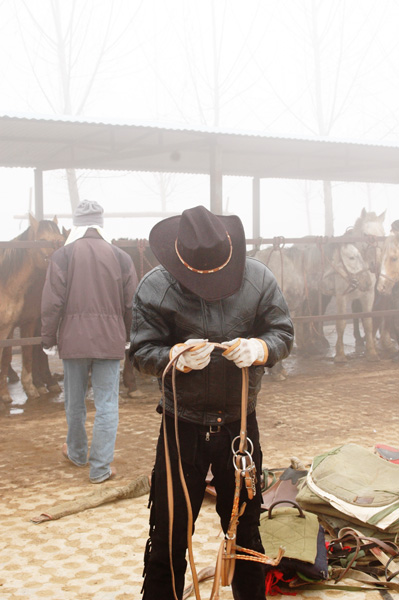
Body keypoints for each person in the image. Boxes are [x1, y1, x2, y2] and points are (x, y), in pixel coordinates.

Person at [129, 205, 294, 599]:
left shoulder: (258, 279)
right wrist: (172, 358)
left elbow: (282, 332)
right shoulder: (155, 288)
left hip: (240, 426)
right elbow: (140, 351)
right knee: (169, 528)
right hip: (180, 424)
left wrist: (261, 348)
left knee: (246, 529)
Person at [41, 199, 138, 483]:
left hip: (74, 341)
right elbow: (131, 303)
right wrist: (127, 336)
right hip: (110, 341)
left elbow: (52, 303)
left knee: (74, 401)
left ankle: (77, 453)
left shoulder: (63, 256)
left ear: (77, 223)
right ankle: (100, 469)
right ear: (100, 222)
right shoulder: (121, 257)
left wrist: (48, 338)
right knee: (108, 404)